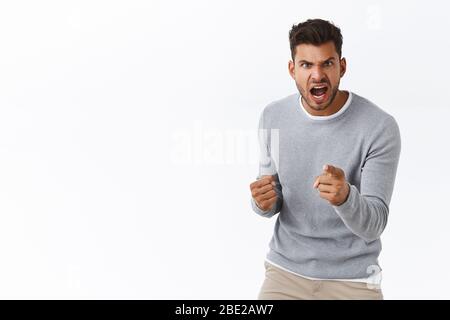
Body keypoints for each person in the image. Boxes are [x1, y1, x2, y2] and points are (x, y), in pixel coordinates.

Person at [249, 18, 401, 300]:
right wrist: (262, 203)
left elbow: (375, 224)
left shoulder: (379, 127)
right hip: (286, 273)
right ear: (292, 69)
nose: (317, 75)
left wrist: (345, 197)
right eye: (306, 65)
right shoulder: (273, 117)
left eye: (327, 64)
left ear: (341, 66)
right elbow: (274, 195)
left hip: (353, 280)